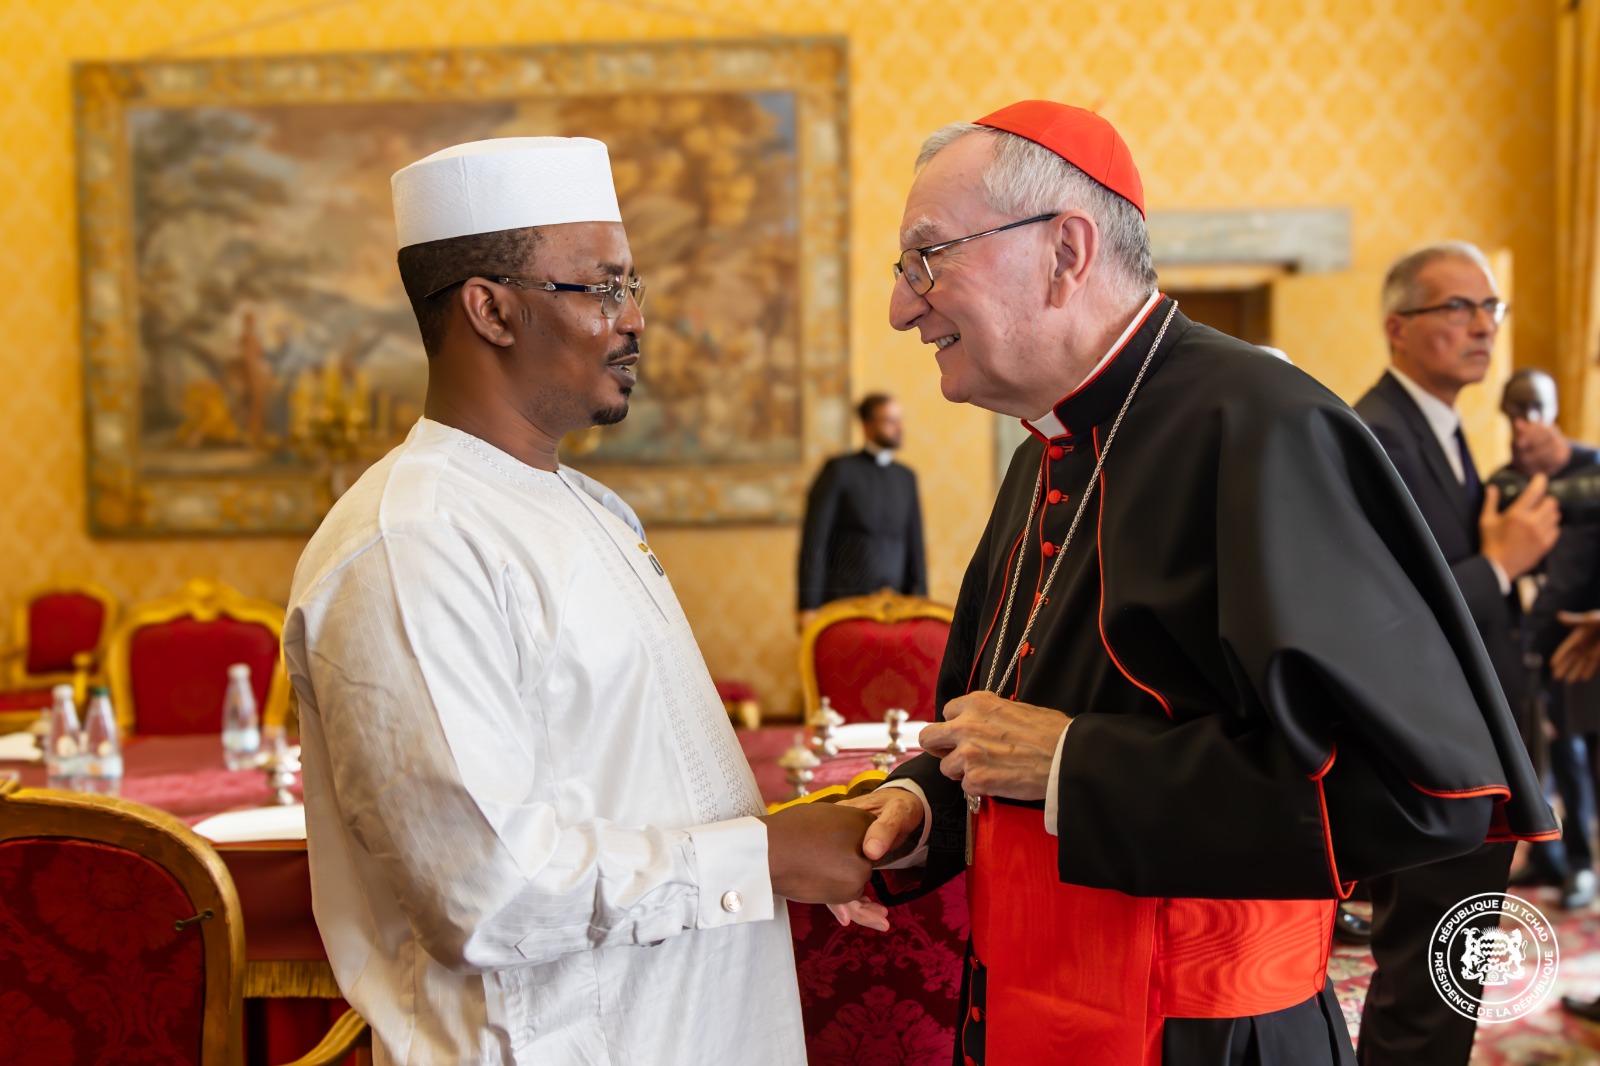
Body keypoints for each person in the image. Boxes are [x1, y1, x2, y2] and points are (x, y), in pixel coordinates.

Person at [841, 100, 1557, 1066]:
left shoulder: (1262, 427)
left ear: (1065, 251)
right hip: (1022, 1012)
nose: (903, 305)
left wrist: (1075, 767)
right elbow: (1012, 716)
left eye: (928, 259)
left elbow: (1420, 792)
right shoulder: (1046, 451)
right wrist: (930, 792)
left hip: (1205, 1036)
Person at [281, 136, 881, 1065]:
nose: (634, 318)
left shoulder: (590, 507)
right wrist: (763, 858)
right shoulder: (413, 544)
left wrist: (782, 841)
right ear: (490, 309)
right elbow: (485, 891)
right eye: (602, 287)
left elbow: (628, 787)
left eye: (634, 287)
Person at [1351, 243, 1561, 1065]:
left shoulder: (1443, 427)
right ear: (1398, 328)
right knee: (1421, 986)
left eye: (1490, 308)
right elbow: (1383, 616)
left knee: (1449, 980)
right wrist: (1502, 564)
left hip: (1470, 745)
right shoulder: (1377, 435)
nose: (1482, 327)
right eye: (1458, 308)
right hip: (1429, 755)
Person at [1490, 369, 1600, 909]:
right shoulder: (1505, 480)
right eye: (1514, 410)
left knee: (1581, 752)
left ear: (1554, 408)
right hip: (1527, 640)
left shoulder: (1593, 468)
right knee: (1541, 750)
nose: (1524, 421)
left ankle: (1582, 864)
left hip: (1587, 641)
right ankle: (1548, 856)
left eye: (1534, 407)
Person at [797, 392, 927, 630]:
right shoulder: (839, 471)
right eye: (889, 421)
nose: (899, 428)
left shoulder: (906, 478)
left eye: (900, 420)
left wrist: (921, 603)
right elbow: (815, 541)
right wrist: (808, 605)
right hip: (843, 603)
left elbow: (915, 545)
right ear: (867, 426)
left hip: (897, 605)